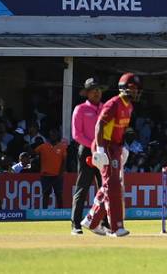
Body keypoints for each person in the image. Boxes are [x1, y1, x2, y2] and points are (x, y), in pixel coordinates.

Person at [82, 73, 141, 237]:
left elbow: (119, 130)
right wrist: (100, 149)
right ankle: (116, 227)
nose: (135, 92)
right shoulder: (114, 103)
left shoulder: (129, 106)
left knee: (110, 184)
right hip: (104, 145)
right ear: (123, 88)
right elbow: (99, 125)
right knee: (113, 184)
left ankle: (91, 220)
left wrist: (123, 148)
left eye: (137, 89)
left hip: (114, 146)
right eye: (132, 88)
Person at [70, 77, 103, 232]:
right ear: (87, 93)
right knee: (82, 188)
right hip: (87, 151)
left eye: (98, 89)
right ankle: (75, 225)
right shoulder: (80, 109)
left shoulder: (105, 108)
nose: (97, 92)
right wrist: (93, 146)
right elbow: (76, 134)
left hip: (104, 151)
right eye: (93, 90)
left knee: (106, 189)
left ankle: (105, 224)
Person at [35, 128, 68, 209]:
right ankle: (44, 212)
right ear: (49, 135)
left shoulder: (62, 147)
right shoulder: (43, 146)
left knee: (59, 194)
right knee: (46, 194)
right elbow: (33, 153)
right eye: (51, 134)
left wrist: (61, 173)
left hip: (57, 176)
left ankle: (60, 212)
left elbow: (64, 161)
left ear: (57, 136)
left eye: (55, 134)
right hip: (45, 175)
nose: (53, 136)